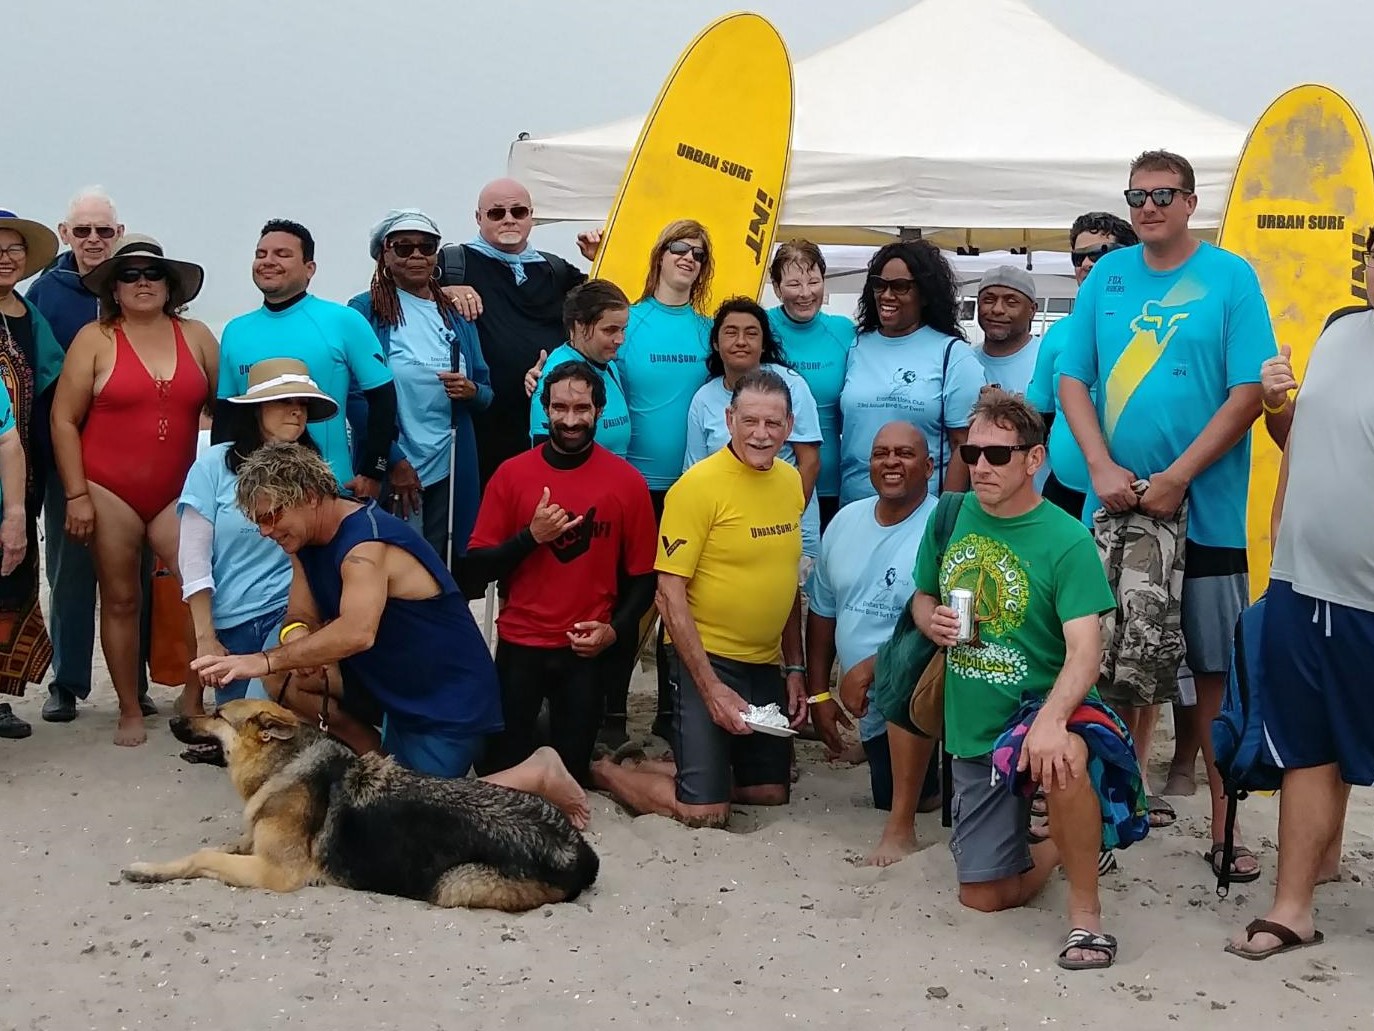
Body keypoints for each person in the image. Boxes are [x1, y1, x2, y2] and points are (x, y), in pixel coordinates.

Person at [1058, 150, 1278, 882]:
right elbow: (1072, 379)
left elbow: (1248, 392)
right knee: (1106, 673)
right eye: (1137, 195)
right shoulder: (1108, 278)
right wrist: (1099, 467)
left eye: (1162, 194)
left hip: (1206, 516)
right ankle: (1109, 824)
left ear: (1190, 201)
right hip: (1114, 516)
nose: (1148, 206)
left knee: (1215, 679)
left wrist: (1180, 476)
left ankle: (1224, 832)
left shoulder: (1230, 277)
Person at [190, 442, 591, 829]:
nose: (265, 530)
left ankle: (537, 772)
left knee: (414, 815)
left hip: (443, 699)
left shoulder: (365, 544)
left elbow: (358, 632)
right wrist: (298, 641)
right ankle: (376, 768)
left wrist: (262, 658)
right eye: (258, 520)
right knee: (285, 678)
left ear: (309, 496)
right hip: (386, 684)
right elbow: (300, 612)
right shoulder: (305, 540)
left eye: (272, 516)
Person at [913, 387, 1121, 969]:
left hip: (1040, 709)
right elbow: (922, 595)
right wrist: (929, 618)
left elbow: (1086, 649)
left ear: (1034, 460)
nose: (980, 465)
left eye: (998, 455)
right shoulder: (950, 514)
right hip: (974, 728)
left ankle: (1086, 919)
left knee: (1064, 757)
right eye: (970, 452)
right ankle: (1060, 845)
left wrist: (1052, 722)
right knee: (981, 897)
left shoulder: (1066, 539)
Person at [590, 369, 807, 828]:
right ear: (729, 420)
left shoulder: (790, 482)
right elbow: (668, 595)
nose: (761, 434)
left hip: (764, 662)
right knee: (705, 811)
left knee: (769, 792)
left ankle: (688, 767)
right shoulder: (697, 487)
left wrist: (795, 667)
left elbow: (787, 581)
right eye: (750, 421)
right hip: (705, 658)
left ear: (790, 426)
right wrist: (710, 688)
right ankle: (605, 769)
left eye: (773, 424)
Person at [1225, 297, 1374, 961]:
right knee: (1305, 742)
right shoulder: (1342, 327)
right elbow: (1300, 444)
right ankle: (1295, 904)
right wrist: (1279, 405)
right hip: (1305, 583)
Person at [51, 235, 218, 747]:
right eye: (130, 275)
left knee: (201, 593)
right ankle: (127, 706)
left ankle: (192, 697)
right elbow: (63, 418)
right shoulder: (95, 338)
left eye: (153, 274)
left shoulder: (197, 336)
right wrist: (77, 495)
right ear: (115, 289)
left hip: (178, 490)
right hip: (108, 489)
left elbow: (226, 409)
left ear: (171, 286)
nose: (143, 282)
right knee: (121, 599)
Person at [464, 360, 657, 784]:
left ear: (599, 412)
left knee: (570, 774)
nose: (571, 420)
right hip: (521, 643)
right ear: (544, 410)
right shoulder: (513, 475)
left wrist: (613, 631)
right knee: (497, 769)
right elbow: (474, 572)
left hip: (584, 650)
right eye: (560, 408)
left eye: (582, 409)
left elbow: (644, 578)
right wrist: (531, 537)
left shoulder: (626, 482)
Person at [25, 189, 154, 724]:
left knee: (138, 575)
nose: (94, 241)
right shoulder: (46, 294)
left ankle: (137, 682)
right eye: (83, 232)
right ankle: (69, 682)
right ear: (64, 233)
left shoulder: (139, 288)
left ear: (118, 233)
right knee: (70, 571)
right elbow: (33, 383)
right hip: (67, 456)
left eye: (104, 231)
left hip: (135, 460)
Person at [805, 421, 938, 863]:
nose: (891, 462)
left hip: (920, 690)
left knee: (908, 799)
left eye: (905, 453)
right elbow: (822, 610)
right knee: (887, 792)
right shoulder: (845, 520)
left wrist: (872, 666)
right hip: (861, 698)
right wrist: (819, 692)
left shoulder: (943, 526)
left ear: (929, 465)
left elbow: (944, 624)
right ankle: (873, 745)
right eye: (881, 453)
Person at [179, 359, 336, 713]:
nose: (296, 412)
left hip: (291, 609)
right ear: (257, 409)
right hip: (231, 617)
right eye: (284, 402)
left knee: (261, 716)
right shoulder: (213, 465)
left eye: (302, 404)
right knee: (239, 725)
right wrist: (206, 638)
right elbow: (194, 558)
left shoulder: (314, 471)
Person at [214, 219, 398, 498]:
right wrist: (221, 482)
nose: (268, 261)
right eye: (261, 254)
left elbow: (383, 399)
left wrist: (375, 471)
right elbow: (226, 418)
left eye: (282, 254)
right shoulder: (235, 331)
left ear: (309, 268)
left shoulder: (343, 321)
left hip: (329, 490)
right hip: (254, 492)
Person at [347, 209, 491, 562]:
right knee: (398, 565)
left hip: (450, 464)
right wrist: (392, 461)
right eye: (403, 247)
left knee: (442, 566)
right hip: (395, 463)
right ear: (385, 254)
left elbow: (487, 391)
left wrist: (471, 391)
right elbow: (354, 396)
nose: (416, 256)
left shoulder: (454, 311)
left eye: (426, 247)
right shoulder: (364, 310)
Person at [436, 179, 594, 487]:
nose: (509, 219)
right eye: (497, 213)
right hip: (481, 423)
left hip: (546, 421)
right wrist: (445, 289)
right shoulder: (453, 264)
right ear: (478, 218)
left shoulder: (554, 269)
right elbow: (404, 292)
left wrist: (598, 259)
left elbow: (607, 309)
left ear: (531, 216)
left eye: (518, 211)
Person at [839, 241, 984, 505]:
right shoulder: (856, 346)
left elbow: (962, 445)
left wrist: (945, 515)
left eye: (900, 286)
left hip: (922, 514)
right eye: (879, 285)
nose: (886, 295)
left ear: (926, 294)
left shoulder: (953, 355)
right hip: (853, 507)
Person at [684, 297, 822, 560]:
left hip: (790, 531)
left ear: (763, 344)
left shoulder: (791, 386)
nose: (741, 341)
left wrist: (786, 518)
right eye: (731, 332)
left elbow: (810, 462)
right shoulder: (703, 399)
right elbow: (694, 474)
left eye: (751, 333)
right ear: (716, 343)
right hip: (727, 535)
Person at [1025, 212, 1138, 519]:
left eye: (1100, 254)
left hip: (1132, 495)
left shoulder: (1153, 328)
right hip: (1062, 496)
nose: (1087, 264)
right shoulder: (1059, 333)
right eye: (1079, 257)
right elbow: (1036, 419)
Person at [0, 212, 65, 738]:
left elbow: (55, 385)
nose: (6, 256)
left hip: (21, 469)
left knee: (13, 577)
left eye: (14, 247)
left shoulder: (28, 313)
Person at [765, 240, 853, 530]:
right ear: (776, 288)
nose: (805, 294)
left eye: (814, 282)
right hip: (773, 478)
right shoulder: (760, 327)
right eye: (793, 285)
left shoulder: (844, 331)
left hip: (833, 483)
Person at [528, 280, 632, 457]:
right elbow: (545, 460)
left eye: (623, 330)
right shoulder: (557, 376)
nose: (620, 339)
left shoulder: (608, 364)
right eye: (610, 330)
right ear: (580, 325)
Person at [973, 265, 1041, 395]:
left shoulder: (1047, 358)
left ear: (1032, 310)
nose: (997, 309)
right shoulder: (964, 361)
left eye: (1011, 302)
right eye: (989, 300)